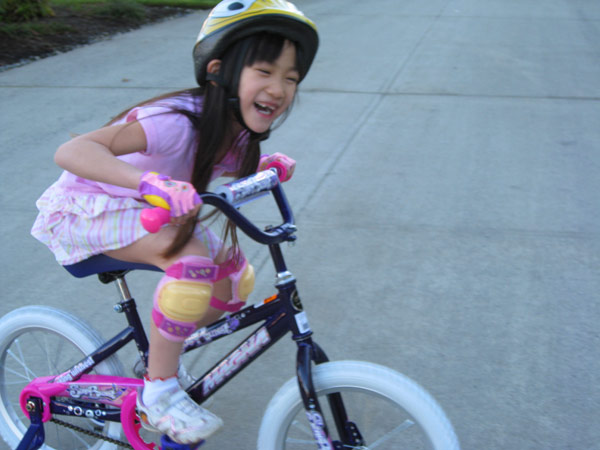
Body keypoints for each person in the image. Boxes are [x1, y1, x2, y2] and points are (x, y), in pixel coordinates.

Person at [30, 0, 318, 444]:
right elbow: (72, 152)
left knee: (235, 283)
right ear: (220, 70)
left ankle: (162, 354)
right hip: (82, 212)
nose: (279, 88)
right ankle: (159, 392)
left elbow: (222, 160)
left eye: (291, 77)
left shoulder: (234, 127)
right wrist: (148, 183)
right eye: (264, 71)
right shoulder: (173, 121)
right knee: (191, 261)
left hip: (145, 214)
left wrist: (263, 165)